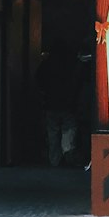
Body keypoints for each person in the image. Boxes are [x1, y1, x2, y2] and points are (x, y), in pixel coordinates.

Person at [37, 38, 82, 167]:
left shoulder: (47, 64)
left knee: (52, 133)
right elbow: (78, 81)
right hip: (68, 104)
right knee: (68, 131)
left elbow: (38, 79)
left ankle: (54, 161)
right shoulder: (72, 64)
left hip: (51, 103)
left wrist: (45, 93)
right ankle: (68, 156)